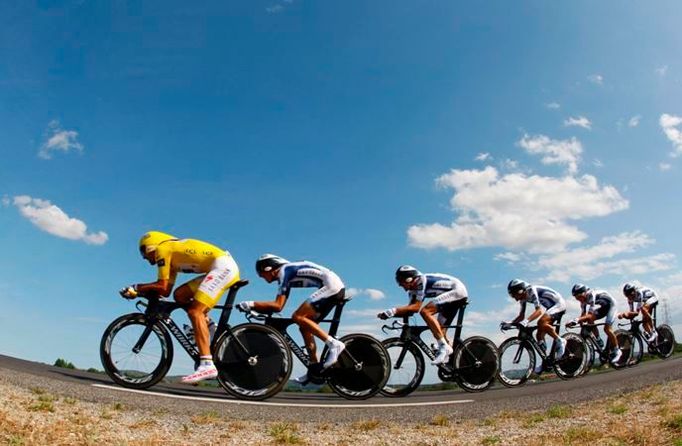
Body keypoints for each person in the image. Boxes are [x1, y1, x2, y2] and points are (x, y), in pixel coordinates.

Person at [120, 231, 240, 383]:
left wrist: (135, 286)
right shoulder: (171, 259)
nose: (145, 259)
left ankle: (207, 364)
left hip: (223, 268)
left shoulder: (163, 249)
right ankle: (207, 326)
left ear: (150, 246)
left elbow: (161, 286)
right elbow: (166, 291)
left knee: (195, 311)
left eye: (144, 253)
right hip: (219, 267)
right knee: (180, 295)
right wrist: (138, 292)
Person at [238, 254, 346, 384]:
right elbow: (278, 306)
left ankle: (334, 344)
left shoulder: (284, 271)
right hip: (332, 287)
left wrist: (250, 304)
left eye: (261, 273)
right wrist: (257, 308)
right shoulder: (287, 274)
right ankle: (314, 368)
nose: (261, 277)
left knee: (298, 316)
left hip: (331, 287)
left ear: (268, 268)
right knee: (304, 326)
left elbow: (278, 306)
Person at [378, 266, 469, 365]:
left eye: (401, 282)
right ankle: (453, 362)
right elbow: (410, 311)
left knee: (425, 311)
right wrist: (390, 315)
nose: (400, 285)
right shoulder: (412, 291)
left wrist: (393, 310)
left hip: (457, 291)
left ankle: (444, 347)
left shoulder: (421, 281)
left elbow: (416, 307)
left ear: (409, 279)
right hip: (450, 296)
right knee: (439, 330)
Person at [502, 279, 567, 359]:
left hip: (559, 304)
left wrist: (526, 321)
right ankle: (546, 360)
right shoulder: (523, 298)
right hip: (551, 308)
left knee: (541, 322)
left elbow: (539, 311)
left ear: (521, 291)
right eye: (513, 296)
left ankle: (560, 340)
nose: (516, 299)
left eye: (515, 295)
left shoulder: (532, 290)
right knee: (539, 336)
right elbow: (521, 316)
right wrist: (510, 323)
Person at [566, 284, 622, 363]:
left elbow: (589, 315)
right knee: (589, 320)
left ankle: (617, 351)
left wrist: (576, 320)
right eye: (576, 298)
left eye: (579, 297)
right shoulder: (583, 301)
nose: (578, 299)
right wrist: (578, 324)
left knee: (607, 329)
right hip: (604, 307)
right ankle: (598, 339)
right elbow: (583, 316)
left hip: (612, 306)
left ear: (584, 293)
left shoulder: (591, 295)